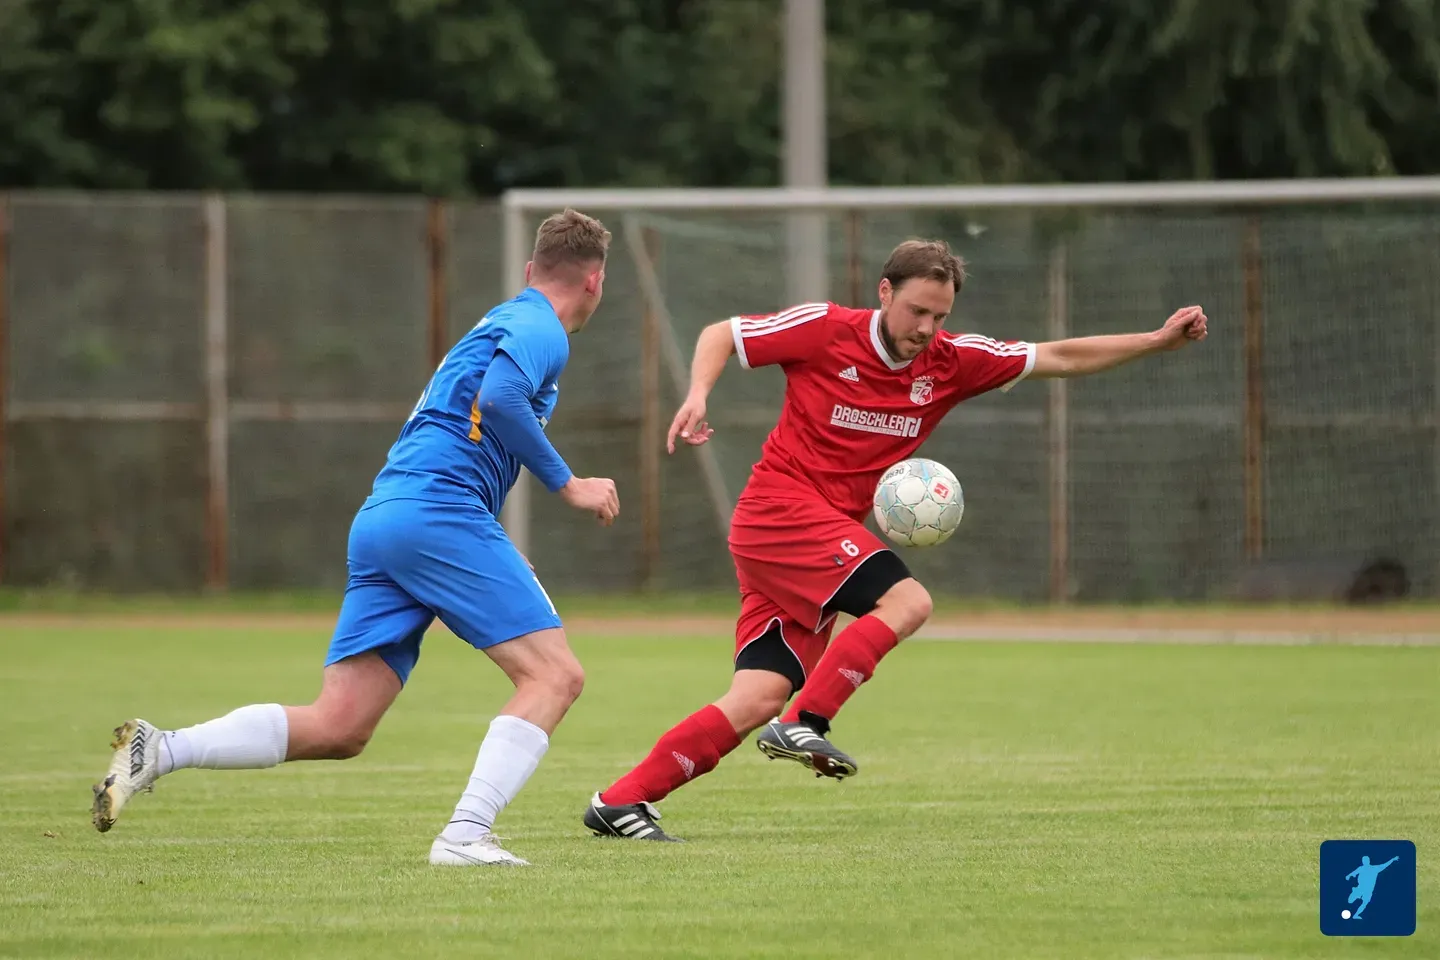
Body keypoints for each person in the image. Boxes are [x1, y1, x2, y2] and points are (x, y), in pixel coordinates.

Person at [583, 238, 1207, 841]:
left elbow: (1060, 356)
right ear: (884, 292)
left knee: (757, 695)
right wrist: (697, 395)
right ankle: (806, 721)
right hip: (780, 511)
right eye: (916, 310)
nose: (927, 327)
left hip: (817, 538)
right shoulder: (827, 329)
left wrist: (1154, 342)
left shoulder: (952, 362)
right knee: (909, 603)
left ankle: (620, 800)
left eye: (940, 315)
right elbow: (723, 333)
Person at [93, 209, 621, 867]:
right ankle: (464, 836)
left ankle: (162, 748)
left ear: (528, 269)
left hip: (390, 515)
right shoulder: (542, 327)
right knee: (555, 676)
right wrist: (569, 484)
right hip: (437, 513)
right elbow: (504, 398)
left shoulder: (505, 318)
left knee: (341, 724)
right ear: (595, 280)